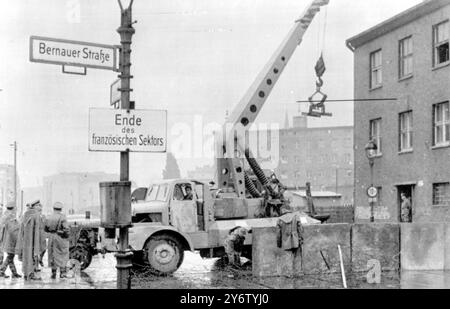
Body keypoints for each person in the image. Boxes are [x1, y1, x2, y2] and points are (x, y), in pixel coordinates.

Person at [15, 200, 43, 281]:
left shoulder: (26, 214)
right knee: (33, 255)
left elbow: (21, 228)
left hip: (25, 240)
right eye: (39, 205)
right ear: (35, 206)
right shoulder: (36, 215)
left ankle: (26, 273)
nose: (40, 207)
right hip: (33, 240)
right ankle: (31, 274)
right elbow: (37, 231)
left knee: (26, 256)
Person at [44, 202, 70, 279]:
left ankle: (53, 272)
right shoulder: (62, 217)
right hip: (60, 237)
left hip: (51, 237)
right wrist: (66, 236)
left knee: (52, 254)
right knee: (62, 254)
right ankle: (62, 272)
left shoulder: (49, 217)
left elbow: (45, 228)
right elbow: (66, 229)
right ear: (61, 209)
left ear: (53, 208)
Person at [0, 202, 21, 278]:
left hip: (5, 239)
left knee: (10, 256)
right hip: (10, 240)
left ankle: (14, 272)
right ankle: (1, 270)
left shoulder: (4, 216)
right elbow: (13, 230)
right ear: (14, 208)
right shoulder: (11, 217)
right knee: (10, 256)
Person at [35, 203, 47, 270]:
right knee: (36, 251)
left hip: (42, 234)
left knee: (44, 249)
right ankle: (36, 266)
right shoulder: (35, 217)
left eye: (40, 209)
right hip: (37, 234)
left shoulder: (43, 216)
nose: (40, 211)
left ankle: (40, 259)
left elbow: (46, 224)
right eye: (39, 209)